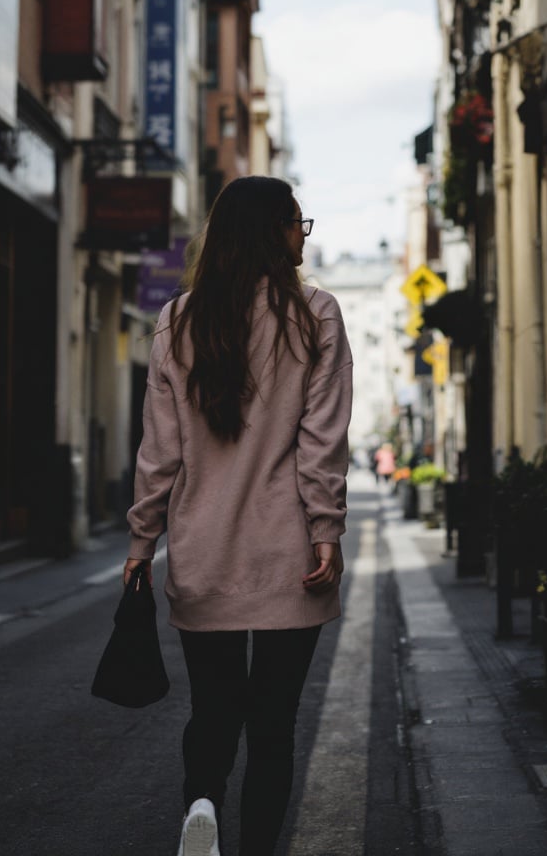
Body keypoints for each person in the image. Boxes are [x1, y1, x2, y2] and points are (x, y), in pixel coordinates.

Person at [123, 176, 353, 856]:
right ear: (275, 232)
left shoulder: (178, 320)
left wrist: (141, 542)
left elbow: (158, 451)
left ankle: (201, 805)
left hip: (202, 552)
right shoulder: (316, 314)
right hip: (290, 556)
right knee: (274, 722)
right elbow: (323, 441)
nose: (302, 236)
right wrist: (326, 530)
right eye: (297, 224)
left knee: (214, 709)